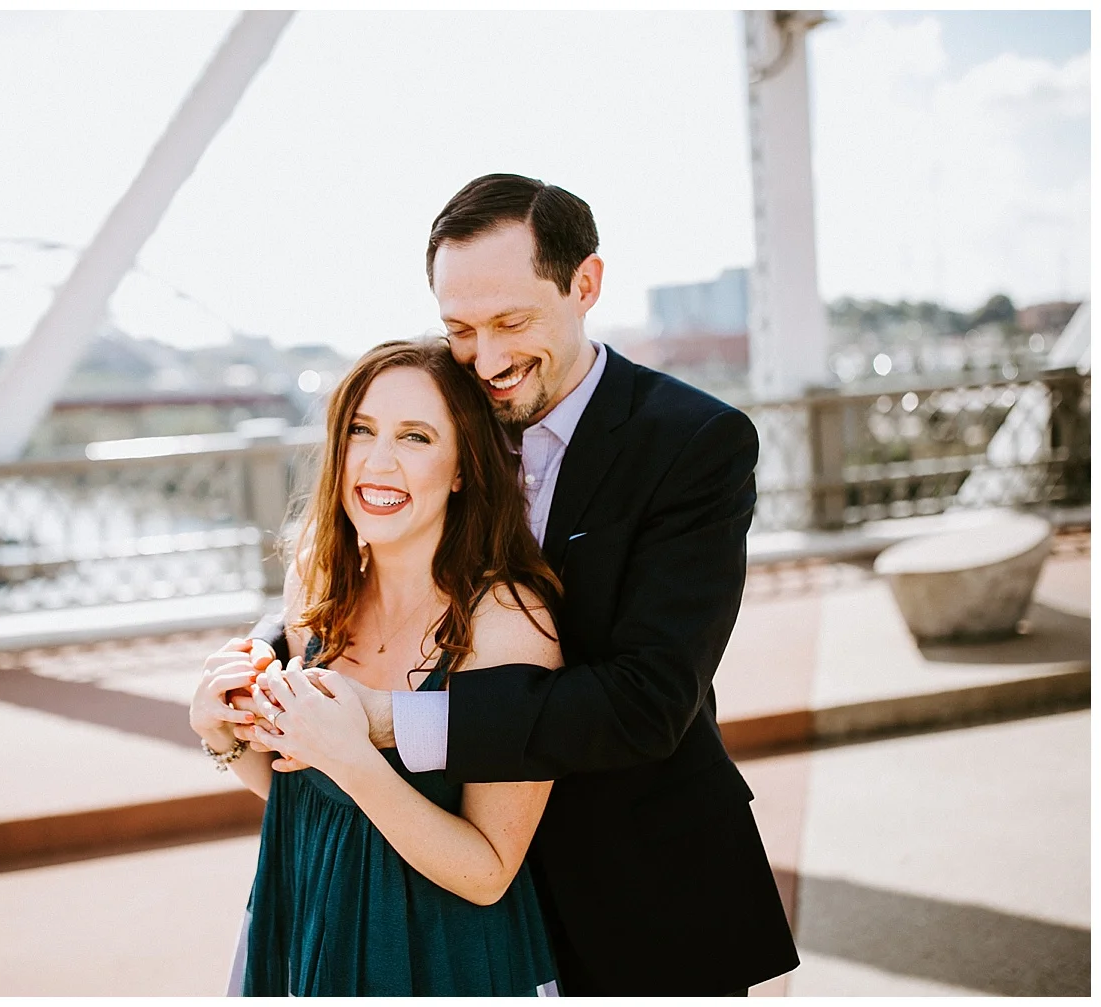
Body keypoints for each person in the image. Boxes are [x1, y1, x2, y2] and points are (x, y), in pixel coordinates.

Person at [216, 173, 800, 995]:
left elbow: (648, 699)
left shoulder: (695, 443)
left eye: (511, 322)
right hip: (447, 905)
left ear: (585, 284)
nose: (486, 358)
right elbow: (383, 562)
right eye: (460, 328)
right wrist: (267, 661)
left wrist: (389, 719)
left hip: (632, 888)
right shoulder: (447, 409)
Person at [189, 338, 568, 996]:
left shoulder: (505, 621)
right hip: (307, 928)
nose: (378, 461)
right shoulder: (316, 584)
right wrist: (219, 733)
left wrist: (355, 759)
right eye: (361, 430)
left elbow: (489, 869)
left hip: (442, 960)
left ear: (461, 468)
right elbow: (309, 798)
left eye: (415, 436)